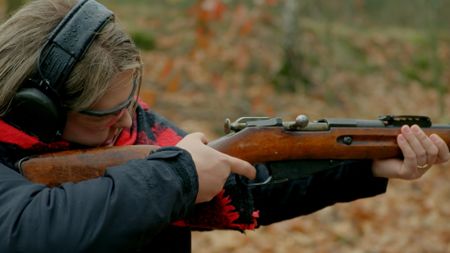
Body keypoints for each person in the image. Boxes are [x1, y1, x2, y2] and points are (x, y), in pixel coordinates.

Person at [0, 0, 447, 253]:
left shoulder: (135, 130)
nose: (126, 119)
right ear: (38, 110)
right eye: (105, 114)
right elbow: (29, 231)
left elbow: (244, 184)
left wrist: (364, 165)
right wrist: (180, 174)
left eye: (129, 100)